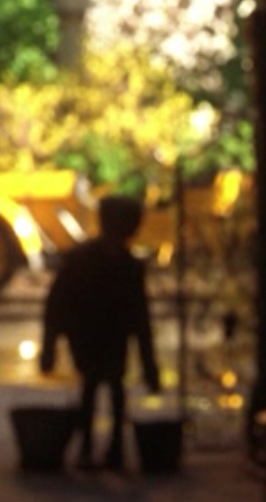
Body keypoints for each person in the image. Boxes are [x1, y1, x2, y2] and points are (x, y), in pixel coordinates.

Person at [40, 195, 161, 471]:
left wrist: (50, 344)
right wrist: (149, 364)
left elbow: (55, 305)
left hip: (93, 335)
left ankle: (99, 448)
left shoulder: (89, 261)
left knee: (98, 384)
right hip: (97, 335)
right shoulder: (124, 266)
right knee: (106, 384)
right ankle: (106, 448)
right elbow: (140, 318)